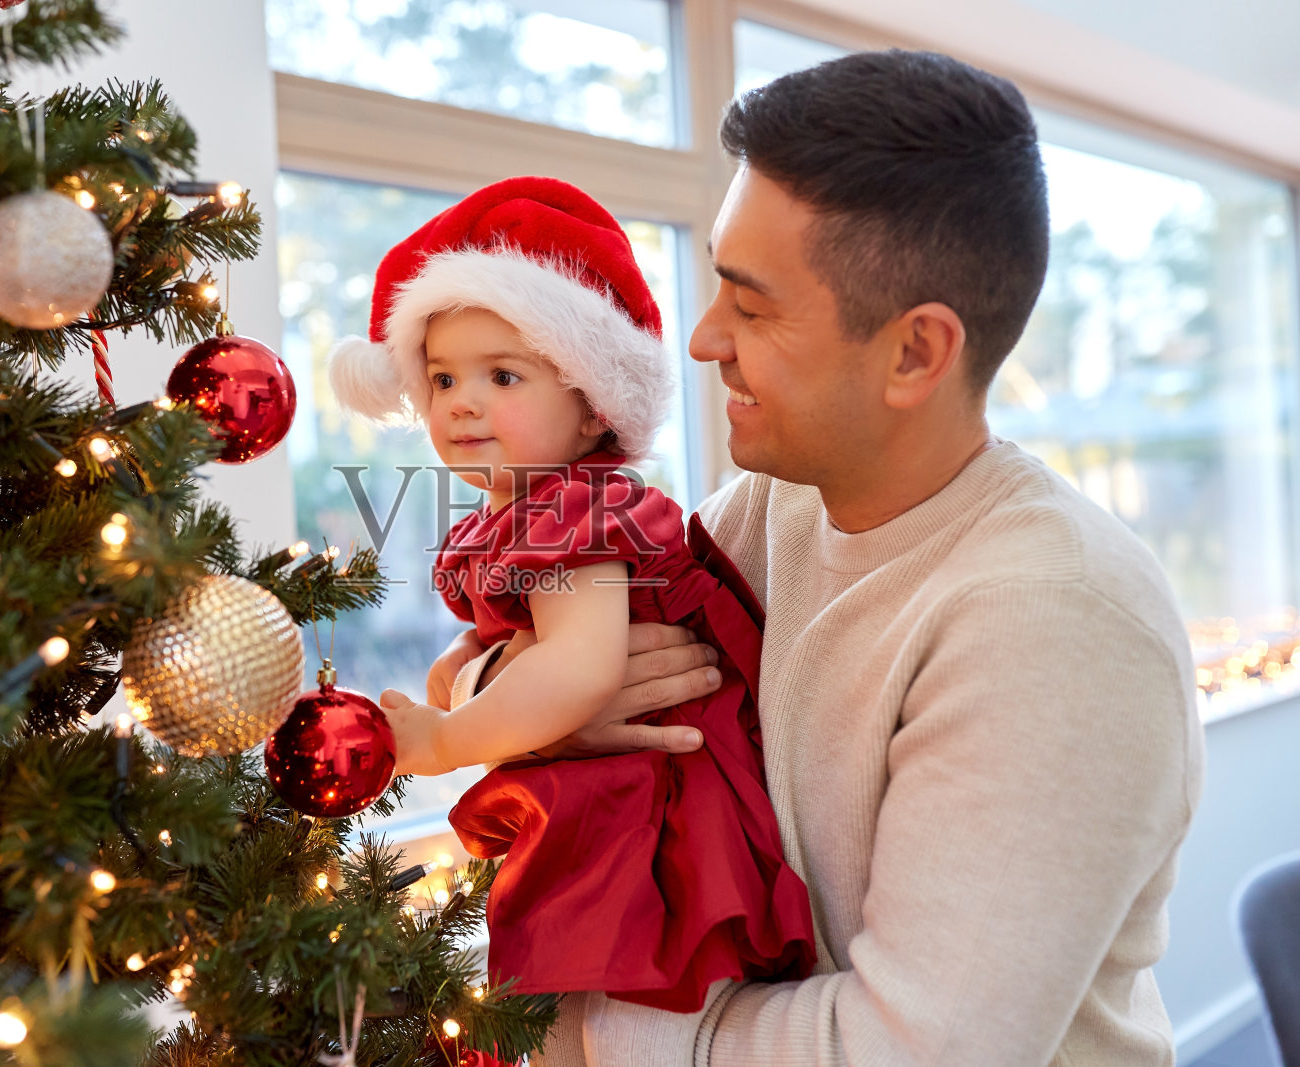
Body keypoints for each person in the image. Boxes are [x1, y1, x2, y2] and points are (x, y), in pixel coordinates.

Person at [430, 51, 1206, 1066]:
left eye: (751, 308)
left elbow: (907, 1050)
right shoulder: (770, 509)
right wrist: (534, 692)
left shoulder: (1056, 619)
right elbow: (492, 657)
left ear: (914, 353)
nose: (704, 340)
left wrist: (585, 1026)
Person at [327, 176, 816, 1014]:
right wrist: (470, 664)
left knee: (601, 996)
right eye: (442, 379)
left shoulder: (578, 512)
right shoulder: (522, 509)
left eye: (503, 376)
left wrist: (446, 739)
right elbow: (532, 641)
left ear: (593, 409)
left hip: (651, 809)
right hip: (615, 785)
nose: (462, 402)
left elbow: (581, 667)